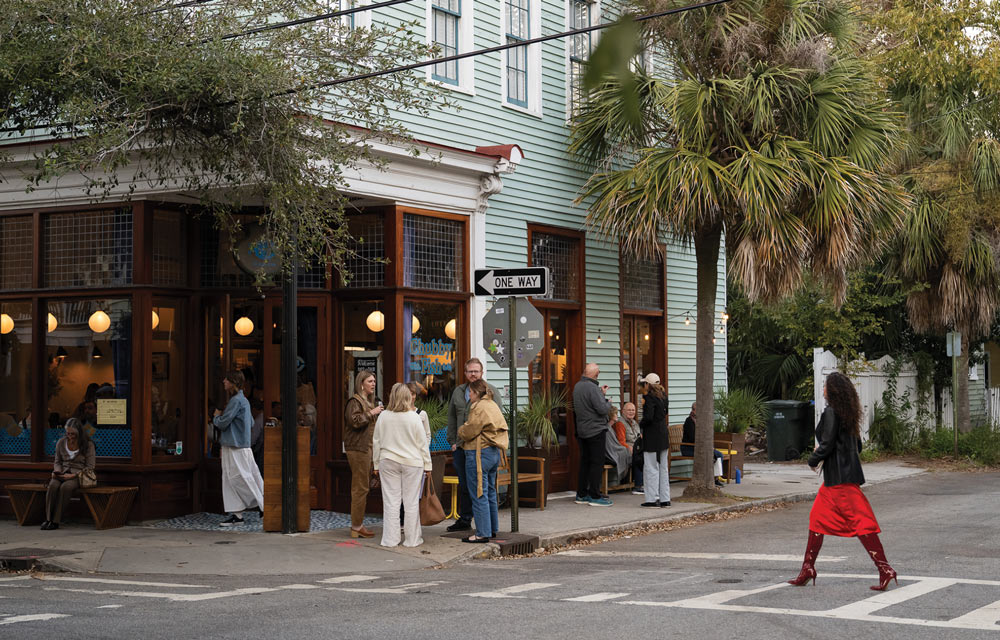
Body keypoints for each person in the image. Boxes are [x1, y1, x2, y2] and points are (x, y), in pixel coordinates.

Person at [788, 371, 897, 590]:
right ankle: (807, 568)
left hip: (840, 481)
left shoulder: (831, 412)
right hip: (838, 480)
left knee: (862, 523)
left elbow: (827, 444)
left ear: (833, 390)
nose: (823, 390)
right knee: (816, 520)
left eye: (825, 386)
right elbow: (858, 446)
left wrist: (813, 458)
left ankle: (885, 568)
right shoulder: (848, 414)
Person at [446, 358, 503, 532]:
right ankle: (465, 520)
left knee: (483, 489)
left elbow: (496, 420)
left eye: (476, 371)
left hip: (481, 448)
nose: (473, 374)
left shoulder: (490, 392)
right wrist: (453, 441)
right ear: (465, 373)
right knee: (465, 485)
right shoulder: (458, 391)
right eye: (470, 371)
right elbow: (452, 417)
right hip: (461, 447)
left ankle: (485, 529)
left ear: (482, 372)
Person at [372, 383, 432, 548]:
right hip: (412, 462)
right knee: (411, 502)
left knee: (391, 502)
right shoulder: (414, 417)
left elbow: (376, 441)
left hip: (387, 460)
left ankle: (391, 539)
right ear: (407, 397)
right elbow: (422, 444)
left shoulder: (383, 416)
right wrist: (428, 466)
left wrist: (375, 464)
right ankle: (412, 540)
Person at [457, 379, 509, 542]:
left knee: (479, 492)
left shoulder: (479, 407)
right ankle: (492, 529)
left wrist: (461, 429)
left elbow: (469, 431)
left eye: (470, 392)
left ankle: (482, 533)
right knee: (490, 491)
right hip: (493, 452)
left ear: (476, 393)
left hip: (478, 452)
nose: (469, 395)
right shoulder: (492, 404)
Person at [212, 370, 264, 526]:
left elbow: (223, 422)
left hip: (235, 446)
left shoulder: (236, 401)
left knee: (238, 478)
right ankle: (238, 514)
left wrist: (215, 416)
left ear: (233, 382)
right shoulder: (244, 401)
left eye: (226, 380)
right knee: (243, 477)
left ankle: (262, 506)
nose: (224, 382)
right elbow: (251, 423)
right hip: (240, 445)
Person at [344, 370, 383, 538]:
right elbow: (354, 421)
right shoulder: (355, 401)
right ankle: (357, 526)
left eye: (374, 381)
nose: (373, 384)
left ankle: (357, 525)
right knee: (360, 487)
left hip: (366, 448)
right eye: (370, 381)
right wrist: (372, 413)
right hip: (358, 449)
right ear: (361, 383)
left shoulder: (367, 401)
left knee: (362, 486)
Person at [572, 363, 613, 507]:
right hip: (595, 430)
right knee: (597, 463)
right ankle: (594, 495)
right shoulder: (592, 388)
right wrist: (608, 402)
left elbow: (587, 405)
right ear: (596, 375)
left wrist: (600, 395)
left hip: (582, 430)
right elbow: (602, 409)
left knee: (585, 462)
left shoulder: (577, 386)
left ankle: (582, 494)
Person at [41, 422, 95, 530]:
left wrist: (73, 475)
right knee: (53, 485)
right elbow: (57, 461)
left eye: (73, 434)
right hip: (62, 473)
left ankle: (56, 520)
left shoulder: (88, 445)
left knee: (66, 487)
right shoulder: (61, 442)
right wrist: (57, 472)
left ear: (79, 433)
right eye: (68, 433)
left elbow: (90, 466)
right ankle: (48, 519)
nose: (70, 436)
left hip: (78, 475)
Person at [638, 373, 670, 508]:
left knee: (651, 467)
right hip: (663, 434)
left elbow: (649, 417)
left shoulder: (649, 398)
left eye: (644, 383)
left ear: (648, 385)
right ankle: (665, 498)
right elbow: (664, 413)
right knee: (663, 467)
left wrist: (641, 424)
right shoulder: (664, 397)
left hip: (652, 436)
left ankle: (652, 499)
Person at [681, 403, 725, 487]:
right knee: (708, 455)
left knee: (719, 455)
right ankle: (707, 479)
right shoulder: (689, 421)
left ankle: (715, 478)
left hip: (701, 447)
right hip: (689, 448)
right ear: (694, 410)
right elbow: (692, 438)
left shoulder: (700, 421)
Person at [622, 402, 644, 495]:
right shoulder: (620, 423)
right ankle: (638, 486)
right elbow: (620, 440)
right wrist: (628, 447)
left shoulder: (635, 423)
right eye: (629, 410)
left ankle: (647, 484)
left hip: (637, 447)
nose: (631, 412)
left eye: (633, 410)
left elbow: (639, 437)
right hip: (626, 449)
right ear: (623, 411)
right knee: (639, 457)